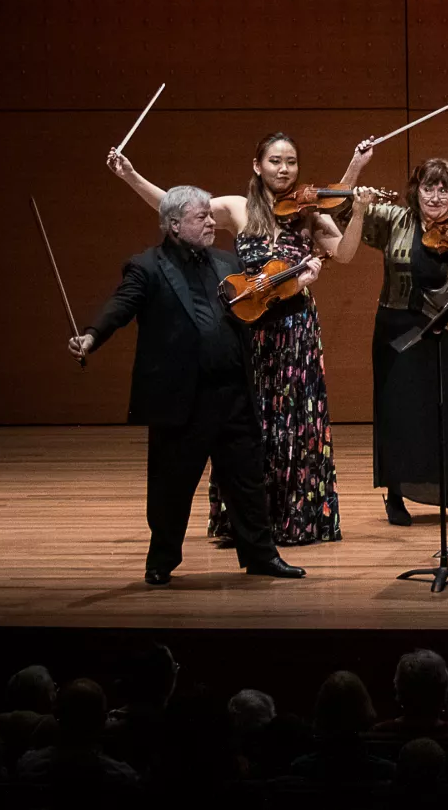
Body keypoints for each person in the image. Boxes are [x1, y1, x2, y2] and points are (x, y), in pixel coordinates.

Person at [109, 133, 358, 546]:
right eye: (275, 160)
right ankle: (246, 523)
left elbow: (345, 253)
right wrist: (132, 175)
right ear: (257, 165)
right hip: (248, 328)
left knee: (294, 424)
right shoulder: (238, 209)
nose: (284, 169)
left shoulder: (310, 214)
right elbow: (172, 205)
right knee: (245, 425)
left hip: (295, 331)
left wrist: (360, 208)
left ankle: (294, 521)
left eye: (291, 161)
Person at [68, 185, 307, 584]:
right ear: (175, 224)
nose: (213, 222)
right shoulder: (146, 267)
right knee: (171, 485)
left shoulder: (225, 261)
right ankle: (161, 560)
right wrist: (92, 336)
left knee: (246, 481)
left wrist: (296, 289)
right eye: (203, 217)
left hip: (231, 393)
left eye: (211, 215)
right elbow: (121, 306)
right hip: (182, 398)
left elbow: (253, 312)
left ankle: (261, 555)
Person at [332, 158, 448, 527]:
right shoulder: (394, 218)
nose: (436, 196)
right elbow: (341, 206)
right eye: (429, 187)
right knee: (398, 414)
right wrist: (357, 171)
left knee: (444, 413)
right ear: (416, 190)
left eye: (444, 189)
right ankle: (396, 496)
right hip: (395, 329)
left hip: (441, 331)